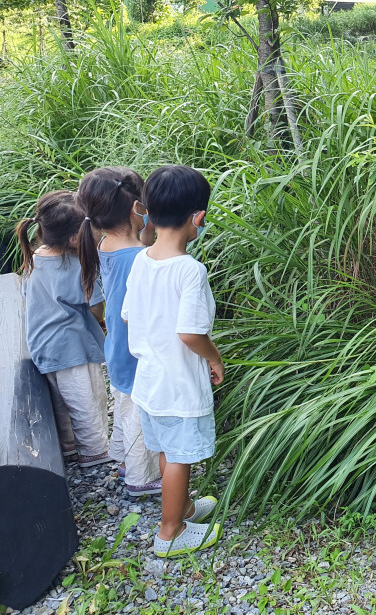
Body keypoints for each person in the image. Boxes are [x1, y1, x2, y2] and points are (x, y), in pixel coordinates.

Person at [122, 165, 224, 557]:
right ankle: (171, 532)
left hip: (148, 381)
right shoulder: (190, 271)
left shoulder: (141, 260)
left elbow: (129, 315)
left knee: (167, 449)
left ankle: (179, 505)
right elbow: (191, 334)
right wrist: (214, 357)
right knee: (180, 457)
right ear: (197, 218)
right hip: (178, 384)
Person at [78, 167, 162, 497]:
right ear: (136, 208)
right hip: (135, 352)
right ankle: (140, 479)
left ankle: (125, 460)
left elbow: (136, 249)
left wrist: (146, 231)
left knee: (125, 407)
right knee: (140, 416)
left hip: (117, 347)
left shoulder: (106, 243)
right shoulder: (139, 257)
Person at [16, 190, 112, 467]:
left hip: (43, 346)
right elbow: (95, 308)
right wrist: (100, 321)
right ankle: (94, 451)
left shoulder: (34, 257)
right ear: (74, 239)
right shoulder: (77, 265)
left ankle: (67, 445)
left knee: (62, 402)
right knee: (87, 401)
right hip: (74, 346)